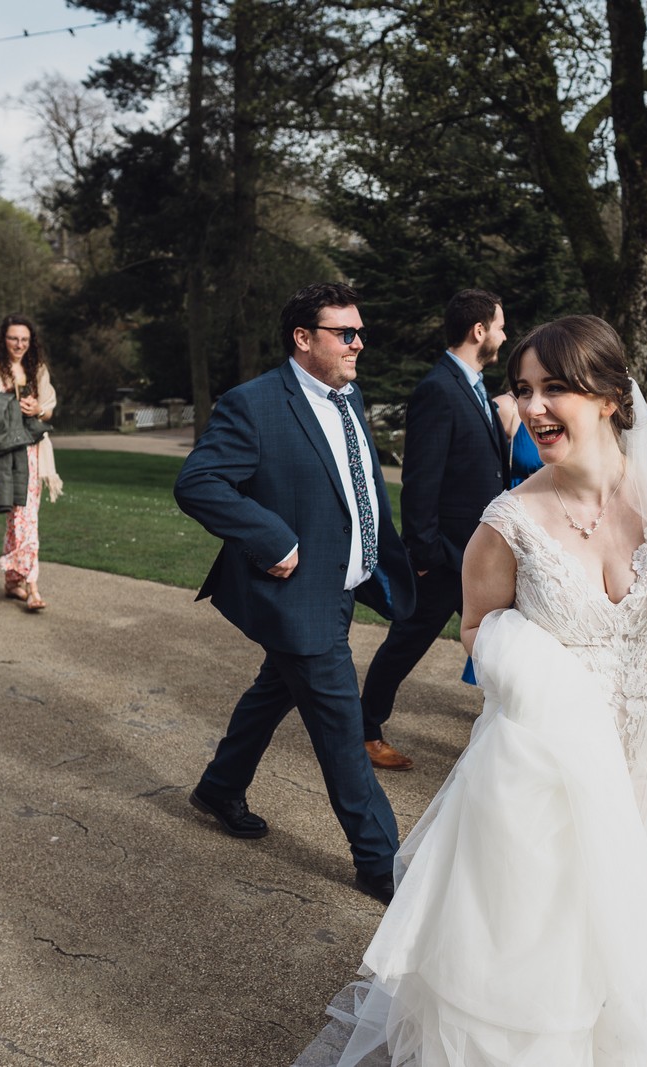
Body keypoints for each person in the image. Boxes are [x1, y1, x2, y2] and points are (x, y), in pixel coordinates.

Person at [300, 315, 647, 1066]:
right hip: (548, 789)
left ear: (608, 396)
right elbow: (477, 629)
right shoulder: (507, 523)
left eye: (553, 388)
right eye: (522, 388)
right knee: (552, 988)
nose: (532, 407)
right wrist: (533, 670)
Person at [174, 282, 416, 905]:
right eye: (345, 333)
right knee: (342, 731)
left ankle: (220, 786)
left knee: (273, 689)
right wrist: (272, 539)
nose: (358, 343)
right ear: (303, 338)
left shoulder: (347, 396)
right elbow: (198, 482)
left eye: (360, 332)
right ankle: (381, 862)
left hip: (342, 586)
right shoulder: (253, 404)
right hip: (298, 595)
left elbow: (354, 486)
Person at [357, 289, 509, 771]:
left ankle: (508, 737)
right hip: (444, 557)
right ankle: (364, 732)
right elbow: (421, 481)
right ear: (479, 331)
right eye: (500, 327)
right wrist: (425, 556)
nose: (505, 336)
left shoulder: (474, 386)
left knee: (499, 646)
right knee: (407, 642)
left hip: (479, 554)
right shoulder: (438, 389)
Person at [0, 314, 61, 612]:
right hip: (3, 452)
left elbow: (49, 410)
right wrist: (4, 405)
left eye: (24, 339)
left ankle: (21, 583)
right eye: (13, 338)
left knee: (24, 517)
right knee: (18, 516)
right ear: (2, 339)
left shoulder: (38, 370)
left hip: (34, 451)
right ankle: (26, 584)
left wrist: (37, 408)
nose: (19, 344)